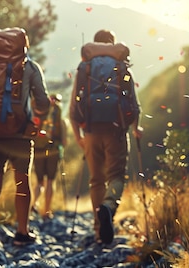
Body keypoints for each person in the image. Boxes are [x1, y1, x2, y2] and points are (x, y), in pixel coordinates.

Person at [0, 35, 50, 266]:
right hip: (19, 135)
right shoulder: (29, 66)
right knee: (22, 182)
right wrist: (40, 117)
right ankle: (22, 231)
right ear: (25, 45)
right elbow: (42, 101)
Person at [69, 29, 142, 244]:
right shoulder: (121, 66)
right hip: (116, 130)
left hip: (90, 131)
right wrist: (137, 128)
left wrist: (77, 136)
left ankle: (99, 230)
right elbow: (134, 104)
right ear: (112, 44)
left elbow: (74, 106)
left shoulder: (86, 67)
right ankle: (109, 206)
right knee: (116, 177)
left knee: (96, 180)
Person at [32, 93, 67, 220]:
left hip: (39, 150)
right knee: (50, 181)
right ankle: (46, 211)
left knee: (40, 181)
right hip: (53, 151)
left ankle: (34, 203)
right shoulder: (61, 119)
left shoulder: (42, 116)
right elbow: (64, 142)